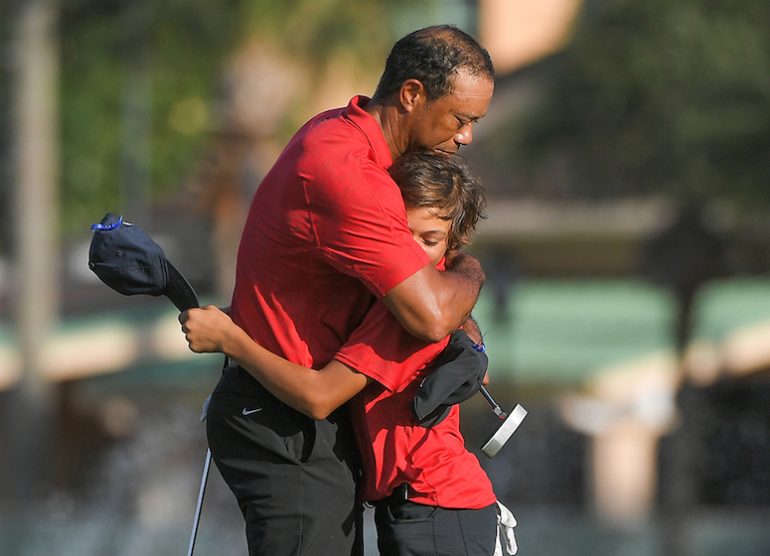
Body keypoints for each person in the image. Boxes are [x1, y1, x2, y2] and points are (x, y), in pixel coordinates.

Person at [191, 25, 495, 556]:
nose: (467, 136)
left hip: (306, 414)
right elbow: (430, 316)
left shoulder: (355, 144)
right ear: (412, 94)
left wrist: (460, 277)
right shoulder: (347, 168)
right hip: (281, 415)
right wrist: (470, 268)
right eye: (461, 118)